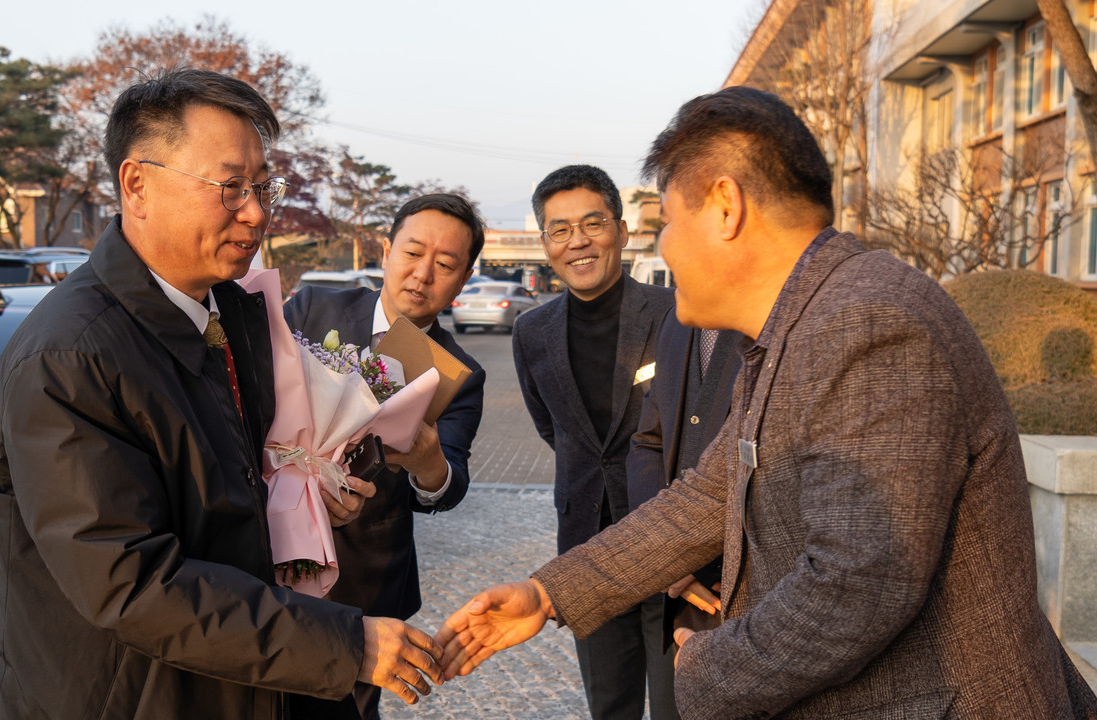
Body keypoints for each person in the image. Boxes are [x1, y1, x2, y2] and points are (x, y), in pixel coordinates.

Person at [437, 86, 1097, 719]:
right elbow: (704, 497)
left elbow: (857, 585)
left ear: (725, 205)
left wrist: (702, 667)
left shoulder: (865, 324)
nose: (663, 246)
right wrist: (549, 592)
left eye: (668, 221)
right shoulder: (795, 329)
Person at [0, 69, 443, 720]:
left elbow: (224, 500)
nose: (255, 212)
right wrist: (342, 643)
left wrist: (308, 499)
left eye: (262, 188)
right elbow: (130, 582)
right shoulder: (72, 358)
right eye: (230, 188)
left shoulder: (229, 318)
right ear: (137, 185)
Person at [284, 193, 486, 720]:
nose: (422, 274)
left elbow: (448, 484)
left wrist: (427, 462)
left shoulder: (457, 373)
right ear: (387, 248)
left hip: (364, 577)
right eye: (413, 253)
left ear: (463, 280)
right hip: (271, 552)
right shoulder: (311, 308)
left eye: (444, 266)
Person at [511, 164, 675, 720]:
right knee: (609, 705)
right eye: (559, 230)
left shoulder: (677, 314)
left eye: (591, 223)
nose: (576, 241)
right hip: (585, 542)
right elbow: (553, 428)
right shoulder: (531, 331)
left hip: (673, 542)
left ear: (622, 231)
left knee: (682, 703)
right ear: (545, 244)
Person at [627, 284, 746, 713]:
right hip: (679, 599)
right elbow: (649, 441)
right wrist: (665, 557)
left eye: (674, 220)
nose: (667, 240)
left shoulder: (778, 320)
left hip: (749, 602)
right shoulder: (677, 320)